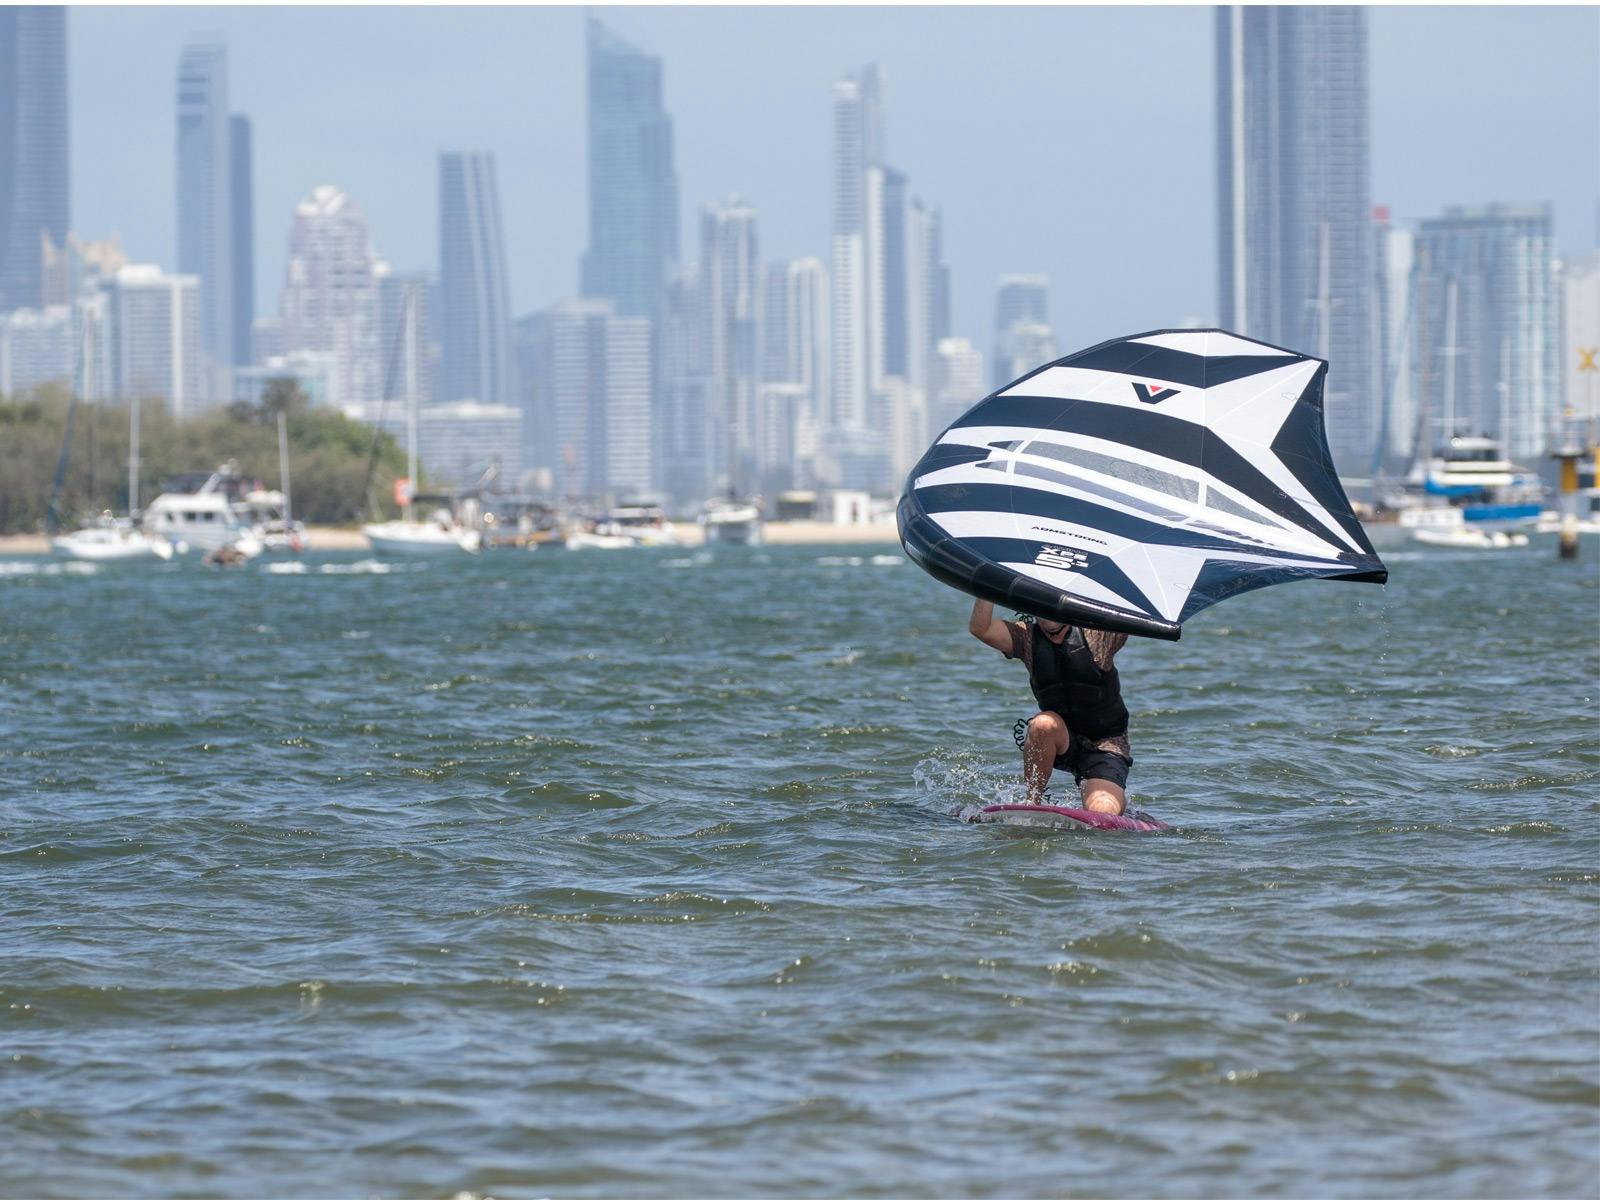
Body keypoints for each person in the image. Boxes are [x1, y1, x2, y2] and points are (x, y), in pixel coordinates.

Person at [968, 598, 1132, 814]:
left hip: (1105, 746)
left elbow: (1130, 611)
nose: (1047, 611)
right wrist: (985, 585)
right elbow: (981, 628)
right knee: (1042, 723)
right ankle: (1033, 803)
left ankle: (1117, 801)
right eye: (1041, 602)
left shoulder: (1098, 635)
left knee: (1102, 813)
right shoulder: (1025, 637)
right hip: (1061, 740)